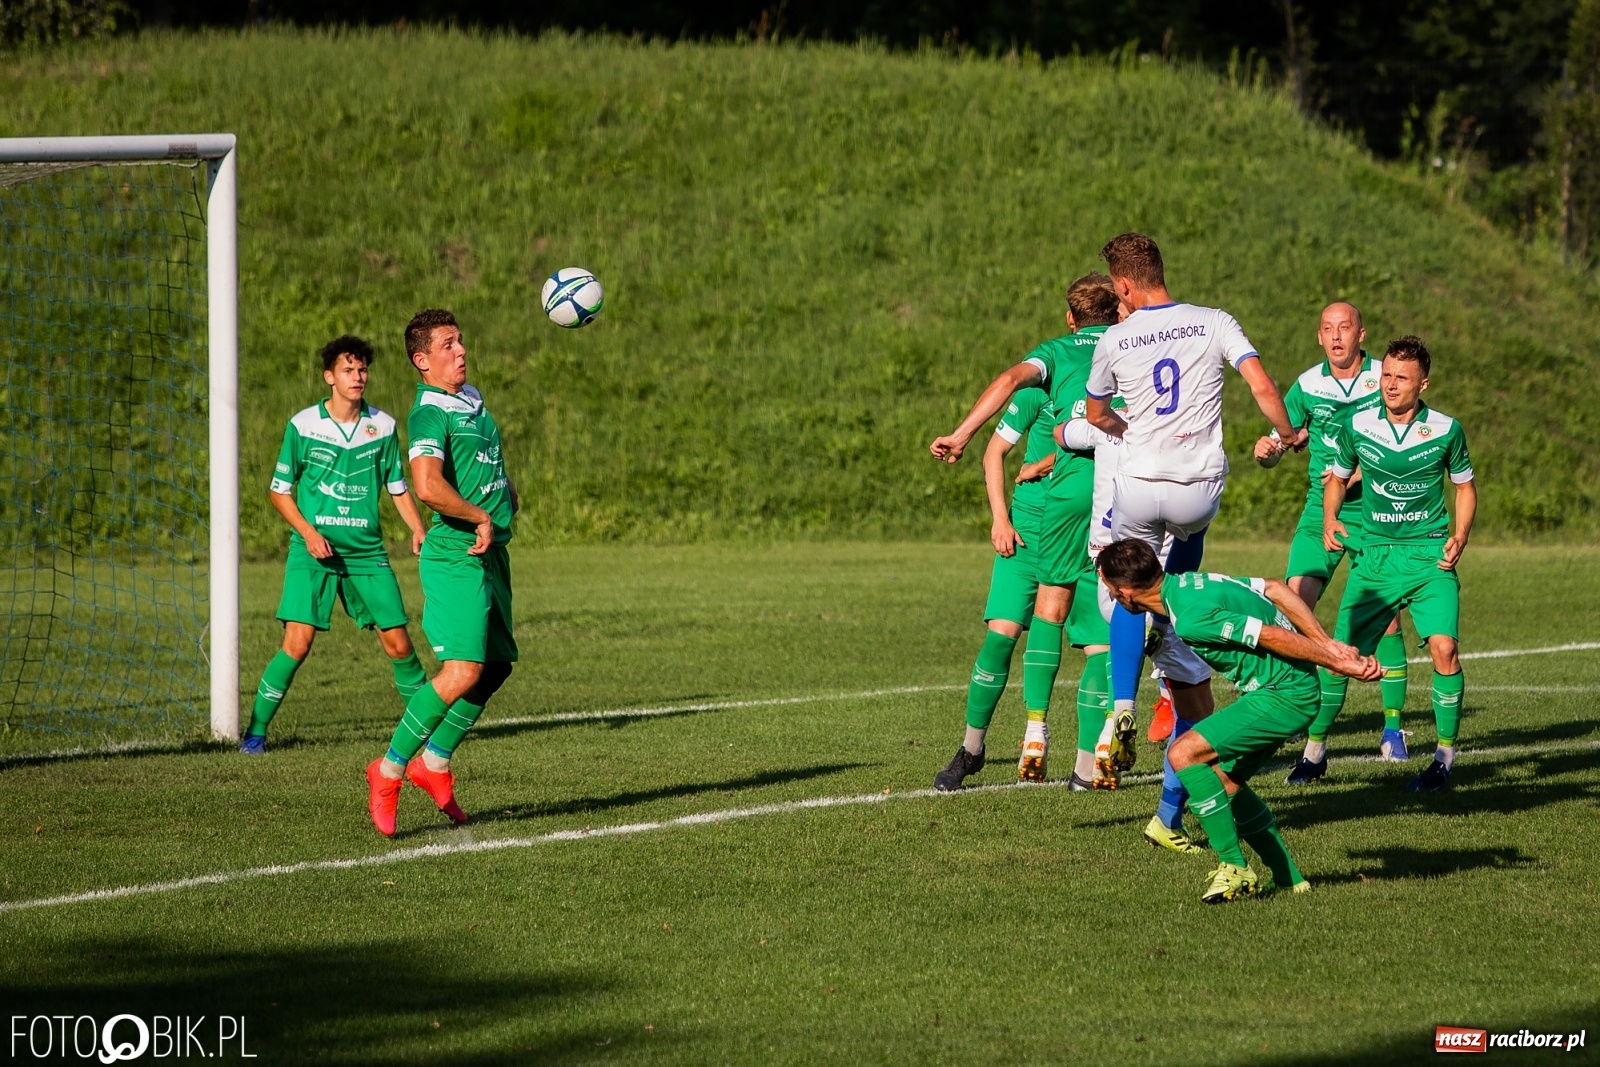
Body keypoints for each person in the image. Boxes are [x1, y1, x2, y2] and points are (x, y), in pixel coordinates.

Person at [1082, 233, 1305, 831]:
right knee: (1180, 564)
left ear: (1123, 285)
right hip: (1195, 488)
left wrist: (1132, 430)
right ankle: (1169, 632)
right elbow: (1262, 387)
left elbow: (1097, 414)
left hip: (1138, 483)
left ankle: (1122, 704)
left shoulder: (1114, 337)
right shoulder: (1214, 321)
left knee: (1128, 587)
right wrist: (1287, 435)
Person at [1096, 539, 1381, 902]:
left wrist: (1338, 661)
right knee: (1224, 782)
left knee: (1183, 754)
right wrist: (1327, 643)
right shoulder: (1190, 583)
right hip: (1285, 690)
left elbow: (1270, 636)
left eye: (1110, 589)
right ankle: (1290, 880)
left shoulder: (1191, 617)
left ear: (1124, 592)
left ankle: (1234, 867)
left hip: (1283, 695)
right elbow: (1275, 588)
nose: (1112, 596)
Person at [929, 275, 1119, 791]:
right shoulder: (1040, 390)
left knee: (1091, 640)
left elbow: (1088, 434)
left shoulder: (1082, 364)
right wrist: (1000, 518)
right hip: (1030, 527)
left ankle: (1076, 758)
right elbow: (997, 453)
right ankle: (971, 749)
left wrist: (1045, 461)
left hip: (1074, 519)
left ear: (1070, 318)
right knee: (1002, 635)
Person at [365, 309, 521, 836]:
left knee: (496, 666)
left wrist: (504, 494)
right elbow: (428, 486)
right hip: (457, 553)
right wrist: (479, 515)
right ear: (422, 360)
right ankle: (388, 770)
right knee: (463, 671)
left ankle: (433, 763)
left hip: (490, 552)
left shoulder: (469, 398)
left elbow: (479, 463)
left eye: (460, 341)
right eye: (448, 345)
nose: (461, 351)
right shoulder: (430, 412)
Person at [1302, 335, 1476, 792]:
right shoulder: (1357, 425)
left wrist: (1460, 535)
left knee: (1445, 650)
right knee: (1340, 658)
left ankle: (1443, 758)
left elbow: (1464, 487)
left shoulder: (1446, 429)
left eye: (1402, 378)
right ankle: (1314, 752)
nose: (1391, 384)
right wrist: (1330, 517)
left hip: (1429, 557)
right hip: (1375, 558)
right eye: (1386, 375)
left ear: (1423, 384)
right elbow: (1337, 478)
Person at [241, 335, 429, 754]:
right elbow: (278, 491)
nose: (357, 376)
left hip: (366, 553)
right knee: (297, 643)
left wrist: (417, 528)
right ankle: (254, 733)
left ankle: (428, 728)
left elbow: (397, 487)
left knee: (399, 643)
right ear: (330, 377)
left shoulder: (383, 426)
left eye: (362, 369)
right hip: (313, 553)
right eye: (348, 369)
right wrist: (309, 533)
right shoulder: (303, 425)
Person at [1256, 303, 1410, 779]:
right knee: (1293, 603)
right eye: (1329, 329)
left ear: (1361, 334)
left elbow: (1400, 437)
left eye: (1345, 328)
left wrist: (1357, 473)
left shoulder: (1384, 378)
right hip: (1319, 511)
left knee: (1385, 617)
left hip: (1376, 512)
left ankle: (1393, 728)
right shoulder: (1307, 385)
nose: (1337, 336)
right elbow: (1283, 439)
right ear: (1319, 337)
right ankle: (1298, 714)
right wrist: (1268, 451)